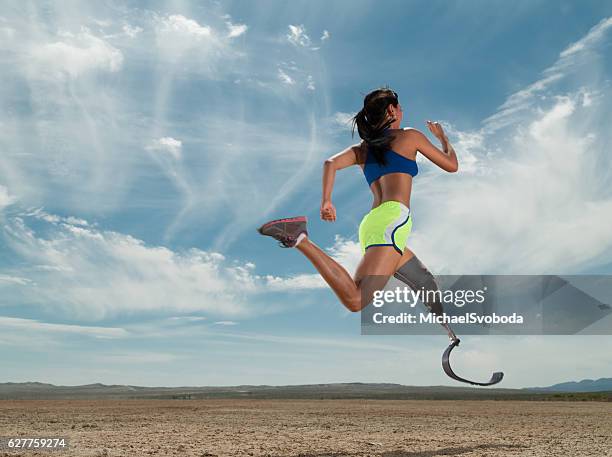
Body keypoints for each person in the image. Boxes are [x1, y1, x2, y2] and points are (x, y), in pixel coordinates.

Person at [258, 88, 458, 313]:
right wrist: (443, 138)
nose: (402, 111)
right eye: (399, 107)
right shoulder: (410, 136)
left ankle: (450, 333)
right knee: (356, 300)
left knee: (424, 281)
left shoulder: (363, 150)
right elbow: (452, 165)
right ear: (391, 110)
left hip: (374, 223)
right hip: (392, 220)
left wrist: (327, 201)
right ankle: (300, 239)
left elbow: (330, 163)